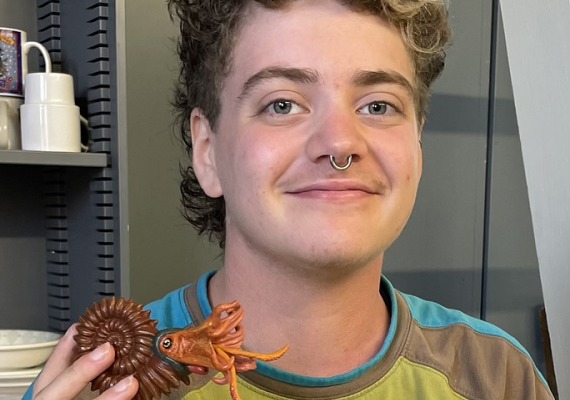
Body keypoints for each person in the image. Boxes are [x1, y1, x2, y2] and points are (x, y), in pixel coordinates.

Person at [26, 0, 554, 399]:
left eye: (377, 105)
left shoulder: (496, 374)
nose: (341, 143)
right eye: (282, 103)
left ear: (416, 141)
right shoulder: (102, 378)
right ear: (208, 151)